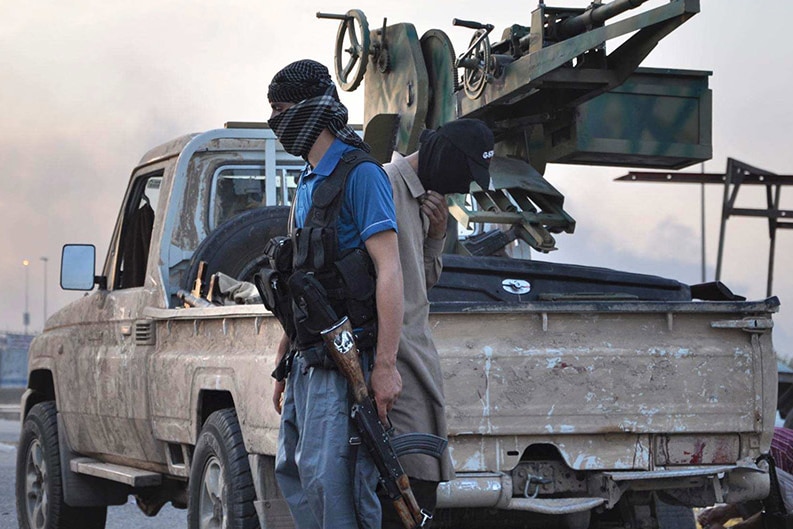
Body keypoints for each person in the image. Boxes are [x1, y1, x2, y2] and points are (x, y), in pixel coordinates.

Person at [267, 59, 404, 529]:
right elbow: (301, 282)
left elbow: (390, 271)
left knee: (336, 485)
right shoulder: (308, 181)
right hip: (308, 360)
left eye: (281, 110)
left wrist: (385, 366)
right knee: (296, 473)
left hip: (348, 359)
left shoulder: (361, 175)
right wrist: (284, 360)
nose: (275, 122)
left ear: (308, 110)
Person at [380, 119, 495, 528]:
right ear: (444, 158)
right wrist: (384, 365)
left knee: (421, 483)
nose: (464, 187)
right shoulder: (385, 187)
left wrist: (436, 236)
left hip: (416, 361)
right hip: (397, 364)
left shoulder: (426, 202)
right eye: (465, 174)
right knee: (409, 484)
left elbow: (419, 281)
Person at [698, 427, 793, 529]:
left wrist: (737, 527)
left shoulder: (767, 454)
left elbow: (781, 511)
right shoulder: (744, 446)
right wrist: (727, 511)